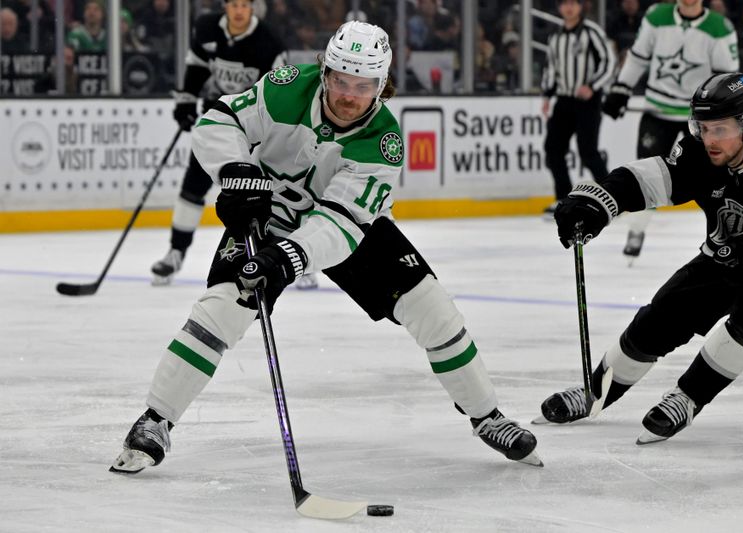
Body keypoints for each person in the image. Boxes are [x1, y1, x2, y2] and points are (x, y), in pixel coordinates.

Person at [110, 21, 541, 475]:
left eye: (364, 85)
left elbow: (340, 223)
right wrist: (236, 171)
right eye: (340, 80)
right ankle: (155, 420)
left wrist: (288, 256)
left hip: (347, 231)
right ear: (325, 72)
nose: (348, 95)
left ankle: (487, 415)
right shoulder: (286, 87)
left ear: (382, 85)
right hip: (266, 217)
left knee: (432, 309)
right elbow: (219, 120)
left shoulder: (384, 143)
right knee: (221, 310)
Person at [539, 72, 743, 444]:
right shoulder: (699, 152)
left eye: (719, 129)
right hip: (725, 256)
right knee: (662, 314)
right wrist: (597, 203)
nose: (709, 139)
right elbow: (650, 179)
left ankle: (688, 397)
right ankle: (595, 392)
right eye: (702, 127)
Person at [149, 0, 297, 285]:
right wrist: (186, 102)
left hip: (257, 129)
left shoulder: (269, 42)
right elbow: (196, 68)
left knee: (270, 194)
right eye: (234, 4)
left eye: (244, 4)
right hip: (219, 123)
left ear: (253, 8)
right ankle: (176, 252)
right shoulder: (207, 29)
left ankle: (292, 255)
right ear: (225, 6)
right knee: (193, 185)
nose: (239, 10)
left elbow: (280, 90)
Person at [601, 0, 738, 259]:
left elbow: (726, 78)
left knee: (714, 179)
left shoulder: (719, 27)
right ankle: (637, 229)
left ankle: (724, 235)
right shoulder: (657, 16)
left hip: (700, 117)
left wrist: (724, 113)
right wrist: (621, 87)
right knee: (645, 172)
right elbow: (638, 56)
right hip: (658, 111)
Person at [541, 0, 616, 217]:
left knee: (588, 151)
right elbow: (551, 68)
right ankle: (563, 199)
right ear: (559, 8)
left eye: (573, 3)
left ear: (581, 6)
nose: (569, 8)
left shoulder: (591, 32)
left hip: (588, 101)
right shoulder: (555, 36)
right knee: (553, 150)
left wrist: (593, 86)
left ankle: (614, 197)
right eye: (564, 3)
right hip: (564, 100)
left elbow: (608, 62)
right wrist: (547, 95)